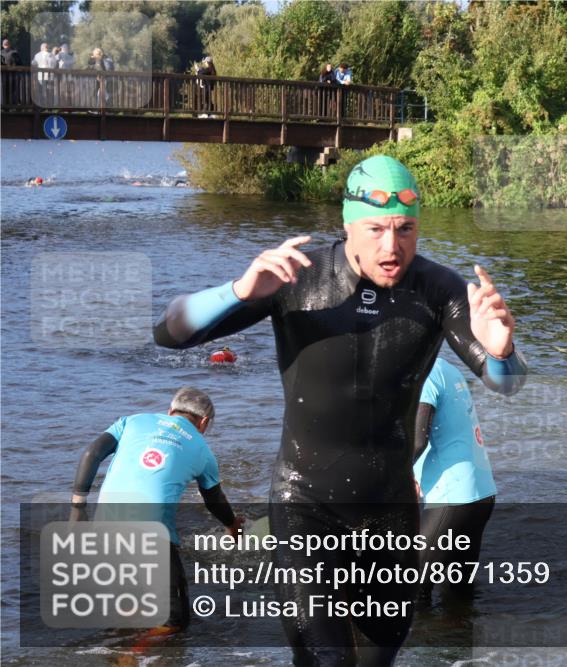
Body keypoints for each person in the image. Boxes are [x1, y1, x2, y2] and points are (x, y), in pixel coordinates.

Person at [154, 154, 527, 666]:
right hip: (305, 503)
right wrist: (239, 291)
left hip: (389, 515)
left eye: (406, 229)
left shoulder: (439, 290)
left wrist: (502, 351)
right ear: (348, 223)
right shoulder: (295, 279)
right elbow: (169, 332)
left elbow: (507, 383)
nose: (392, 247)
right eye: (375, 229)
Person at [70, 387, 244, 633]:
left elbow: (92, 453)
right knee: (174, 621)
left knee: (128, 608)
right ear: (204, 422)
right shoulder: (203, 450)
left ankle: (122, 650)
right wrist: (232, 525)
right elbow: (214, 499)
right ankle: (130, 655)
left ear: (171, 410)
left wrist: (78, 509)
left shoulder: (131, 421)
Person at [413, 357, 497, 600]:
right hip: (481, 493)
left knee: (409, 589)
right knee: (459, 595)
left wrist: (396, 477)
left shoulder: (423, 371)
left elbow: (418, 439)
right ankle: (460, 635)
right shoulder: (444, 366)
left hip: (452, 498)